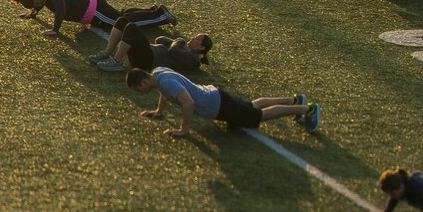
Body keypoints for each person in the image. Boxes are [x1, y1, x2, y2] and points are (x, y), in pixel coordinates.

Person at [126, 67, 319, 139]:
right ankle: (295, 100)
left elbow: (188, 103)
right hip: (215, 95)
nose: (140, 93)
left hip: (217, 105)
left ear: (143, 82)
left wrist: (183, 129)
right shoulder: (158, 74)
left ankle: (307, 109)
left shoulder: (165, 82)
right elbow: (166, 93)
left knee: (259, 116)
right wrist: (159, 111)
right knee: (252, 105)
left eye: (138, 89)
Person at [8, 0, 172, 39]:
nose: (39, 3)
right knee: (120, 16)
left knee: (122, 25)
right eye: (36, 5)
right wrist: (33, 14)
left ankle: (161, 15)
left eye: (36, 1)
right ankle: (152, 11)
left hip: (94, 10)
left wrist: (55, 29)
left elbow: (61, 10)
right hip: (93, 4)